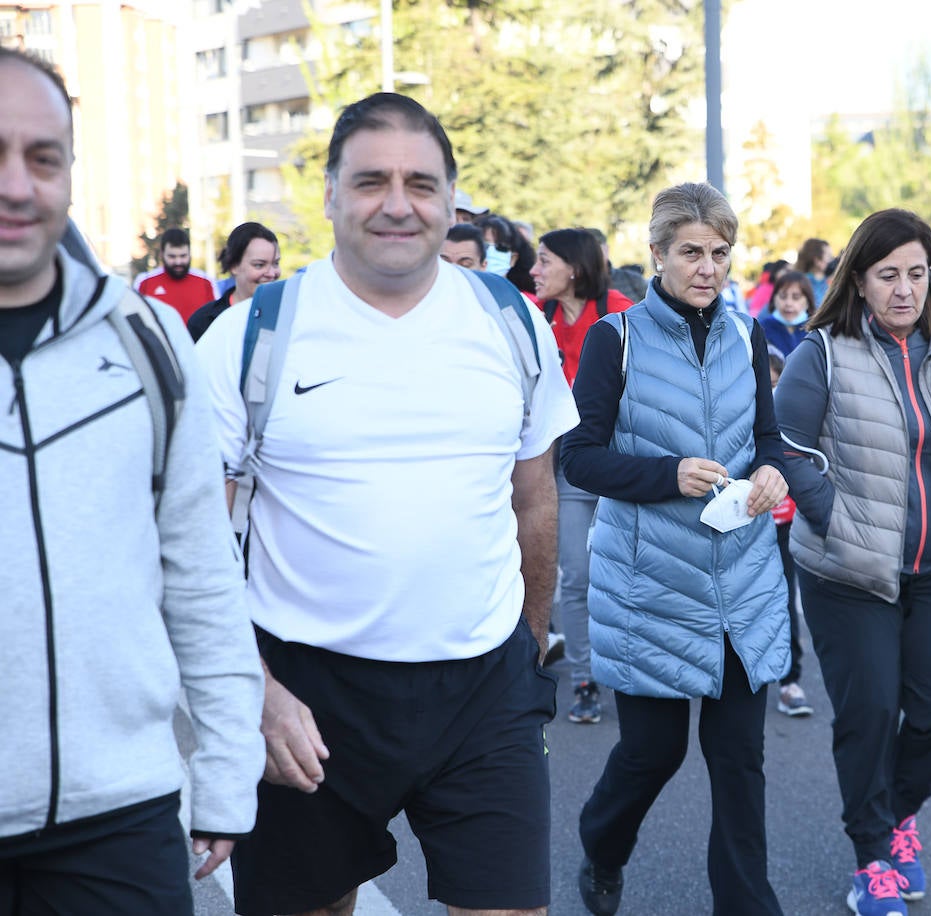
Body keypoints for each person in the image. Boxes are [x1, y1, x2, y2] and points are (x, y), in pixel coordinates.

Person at [195, 92, 578, 916]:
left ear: (450, 199)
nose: (398, 203)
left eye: (421, 182)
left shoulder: (511, 322)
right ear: (330, 196)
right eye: (371, 181)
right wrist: (251, 691)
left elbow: (534, 497)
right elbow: (189, 539)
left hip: (484, 692)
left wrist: (530, 652)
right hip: (306, 693)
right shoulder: (252, 335)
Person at [0, 47, 264, 910]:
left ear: (70, 174)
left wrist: (226, 768)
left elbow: (199, 571)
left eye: (43, 158)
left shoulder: (144, 340)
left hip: (119, 813)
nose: (17, 185)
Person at [562, 182, 792, 916]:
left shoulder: (746, 333)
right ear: (656, 253)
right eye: (691, 252)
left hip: (739, 580)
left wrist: (771, 467)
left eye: (720, 254)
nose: (708, 268)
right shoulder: (615, 338)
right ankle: (602, 844)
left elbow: (765, 438)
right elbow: (581, 459)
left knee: (739, 761)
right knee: (652, 754)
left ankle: (747, 906)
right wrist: (666, 475)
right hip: (651, 582)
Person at [773, 209, 931, 916]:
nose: (904, 289)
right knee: (868, 714)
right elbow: (786, 447)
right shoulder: (822, 353)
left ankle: (896, 811)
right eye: (888, 275)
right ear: (859, 281)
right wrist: (834, 519)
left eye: (917, 274)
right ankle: (872, 858)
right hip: (847, 571)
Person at [530, 227, 634, 724]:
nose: (535, 271)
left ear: (573, 267)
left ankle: (641, 669)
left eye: (544, 261)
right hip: (567, 467)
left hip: (624, 463)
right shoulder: (535, 315)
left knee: (630, 573)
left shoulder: (619, 309)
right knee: (576, 576)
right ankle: (586, 681)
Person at [766, 350, 812, 718]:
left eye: (774, 382)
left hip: (784, 524)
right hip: (740, 523)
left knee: (784, 599)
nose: (767, 390)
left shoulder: (792, 414)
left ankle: (789, 680)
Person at [186, 221, 281, 342]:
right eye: (259, 265)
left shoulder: (289, 316)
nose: (271, 273)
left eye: (275, 263)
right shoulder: (203, 322)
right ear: (234, 266)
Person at [136, 227, 217, 324]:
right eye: (172, 256)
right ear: (162, 255)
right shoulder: (144, 281)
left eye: (183, 256)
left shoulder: (206, 281)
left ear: (190, 254)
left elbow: (218, 319)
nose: (178, 262)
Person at [758, 269, 816, 358]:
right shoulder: (762, 329)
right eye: (782, 296)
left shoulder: (815, 330)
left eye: (796, 297)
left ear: (808, 300)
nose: (788, 303)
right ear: (774, 298)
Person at [587, 227, 649, 303]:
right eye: (588, 249)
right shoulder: (578, 287)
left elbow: (653, 307)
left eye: (597, 247)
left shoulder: (632, 279)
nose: (594, 253)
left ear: (607, 248)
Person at [796, 237, 833, 304]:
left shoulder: (826, 281)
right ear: (817, 259)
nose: (831, 260)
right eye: (828, 256)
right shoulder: (803, 283)